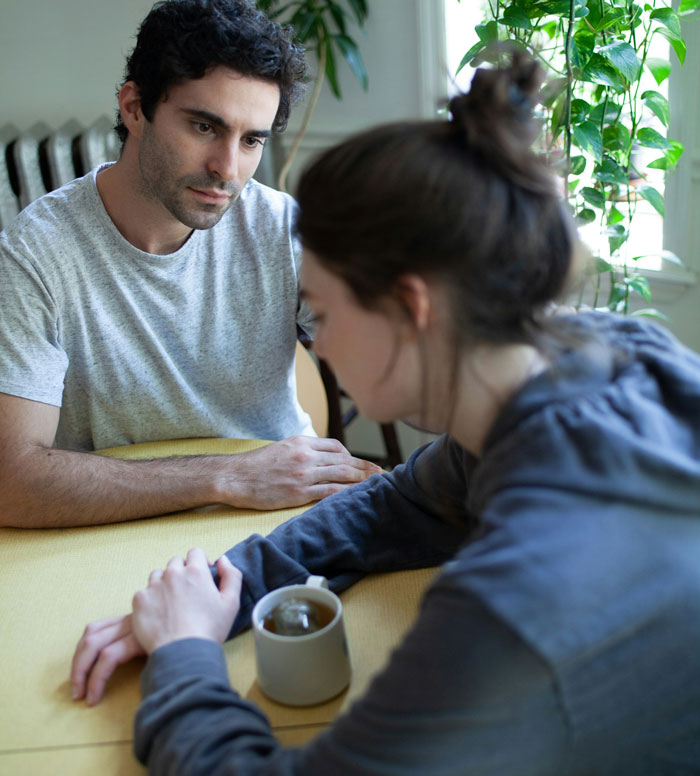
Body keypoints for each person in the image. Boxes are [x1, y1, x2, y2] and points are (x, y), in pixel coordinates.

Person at [71, 52, 700, 773]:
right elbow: (395, 505)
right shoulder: (594, 356)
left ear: (411, 307)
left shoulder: (517, 606)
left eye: (327, 311)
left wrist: (184, 654)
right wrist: (220, 590)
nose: (319, 343)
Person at [0, 0, 380, 529]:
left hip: (281, 510)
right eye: (204, 127)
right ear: (134, 107)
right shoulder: (35, 254)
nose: (228, 169)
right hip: (110, 528)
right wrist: (226, 477)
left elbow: (400, 361)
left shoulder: (280, 229)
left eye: (251, 141)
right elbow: (10, 482)